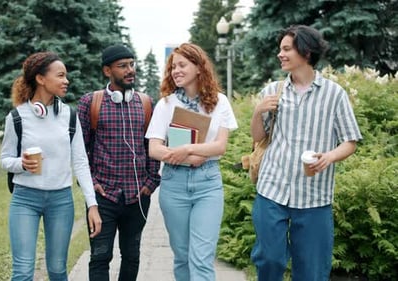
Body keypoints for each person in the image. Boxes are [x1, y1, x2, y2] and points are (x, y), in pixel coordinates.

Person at [250, 25, 362, 281]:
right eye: (280, 49)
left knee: (311, 271)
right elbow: (257, 138)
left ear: (306, 52)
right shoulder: (272, 91)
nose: (280, 54)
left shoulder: (334, 94)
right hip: (272, 189)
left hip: (314, 196)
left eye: (287, 49)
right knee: (269, 258)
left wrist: (330, 157)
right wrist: (258, 112)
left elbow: (350, 141)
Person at [0, 51, 102, 281]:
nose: (66, 80)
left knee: (57, 270)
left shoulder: (69, 116)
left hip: (60, 200)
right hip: (25, 199)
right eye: (60, 75)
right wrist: (22, 164)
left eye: (66, 76)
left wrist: (92, 204)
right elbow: (5, 159)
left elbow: (80, 162)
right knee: (23, 271)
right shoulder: (17, 117)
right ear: (40, 78)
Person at [145, 43, 238, 281]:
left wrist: (187, 148)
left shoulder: (220, 102)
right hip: (174, 184)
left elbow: (220, 146)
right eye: (173, 66)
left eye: (182, 65)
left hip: (208, 184)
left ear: (199, 67)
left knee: (202, 258)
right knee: (182, 256)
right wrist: (188, 156)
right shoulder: (166, 104)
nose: (176, 70)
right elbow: (154, 149)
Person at [77, 44, 161, 281]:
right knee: (100, 257)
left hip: (138, 196)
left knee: (132, 255)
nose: (130, 70)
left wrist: (151, 181)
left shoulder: (145, 103)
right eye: (122, 66)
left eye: (132, 64)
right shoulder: (90, 103)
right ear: (107, 71)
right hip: (103, 197)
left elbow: (152, 145)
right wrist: (92, 184)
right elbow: (80, 151)